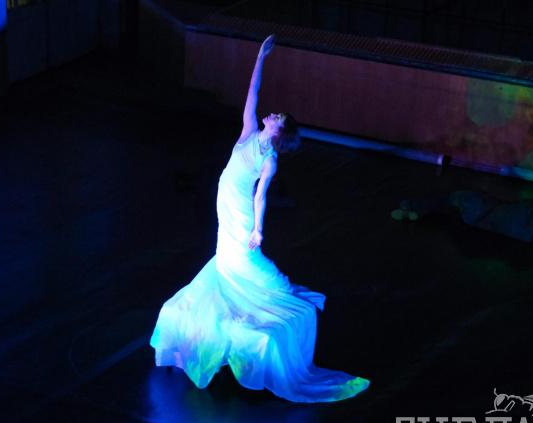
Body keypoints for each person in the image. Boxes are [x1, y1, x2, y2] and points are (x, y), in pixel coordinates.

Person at [149, 35, 370, 403]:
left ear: (278, 131)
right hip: (225, 204)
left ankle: (280, 290)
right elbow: (252, 92)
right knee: (229, 260)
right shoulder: (249, 130)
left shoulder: (269, 159)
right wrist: (260, 57)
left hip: (238, 209)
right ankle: (259, 291)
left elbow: (260, 195)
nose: (272, 113)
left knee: (247, 263)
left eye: (277, 117)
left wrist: (257, 229)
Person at [391, 190, 533, 244]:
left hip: (482, 204)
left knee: (447, 200)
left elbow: (526, 202)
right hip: (475, 220)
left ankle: (411, 204)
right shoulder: (528, 238)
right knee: (448, 210)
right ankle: (421, 211)